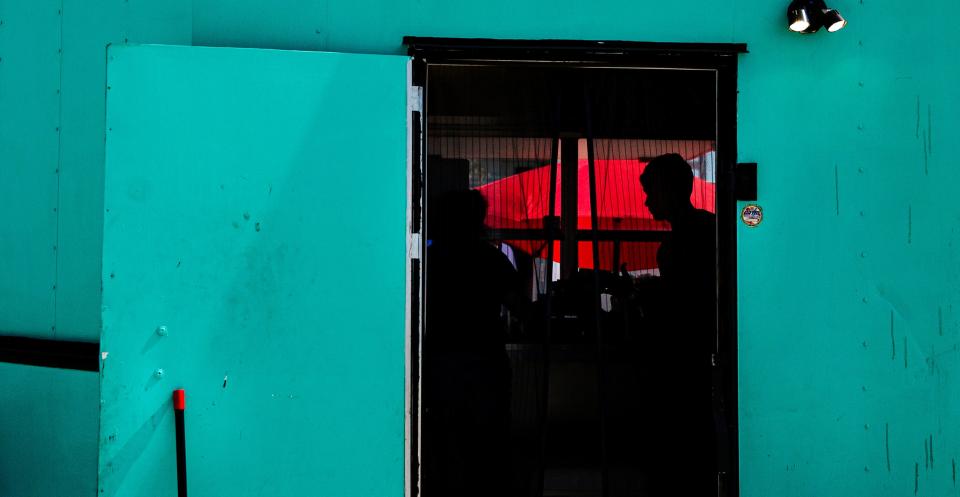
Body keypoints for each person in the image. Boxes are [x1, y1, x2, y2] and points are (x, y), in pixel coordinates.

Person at [422, 189, 525, 497]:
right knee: (487, 446)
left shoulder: (429, 260)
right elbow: (519, 306)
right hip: (485, 363)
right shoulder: (490, 259)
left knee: (445, 445)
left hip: (440, 364)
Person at [638, 153, 718, 495]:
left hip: (686, 360)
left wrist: (653, 294)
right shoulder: (707, 229)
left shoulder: (684, 239)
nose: (646, 201)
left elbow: (686, 300)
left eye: (651, 192)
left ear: (669, 191)